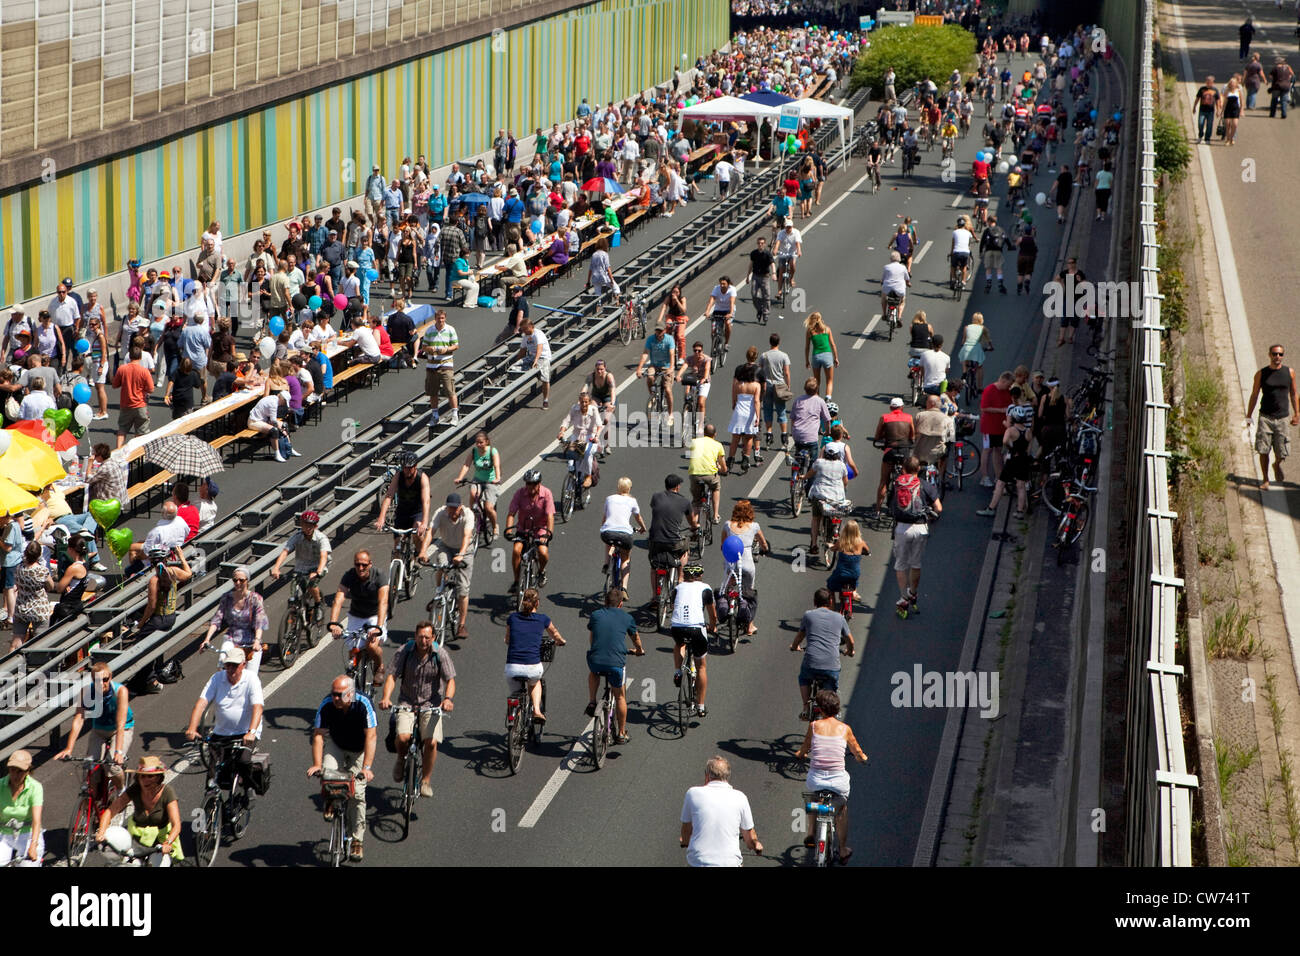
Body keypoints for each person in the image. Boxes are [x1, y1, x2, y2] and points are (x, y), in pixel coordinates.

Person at [379, 621, 456, 798]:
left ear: (433, 638)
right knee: (403, 737)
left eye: (427, 638)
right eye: (420, 637)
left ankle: (426, 781)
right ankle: (400, 759)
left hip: (431, 704)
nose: (423, 641)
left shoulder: (440, 654)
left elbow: (450, 680)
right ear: (415, 636)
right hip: (407, 702)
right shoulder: (405, 651)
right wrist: (386, 697)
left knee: (431, 742)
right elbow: (391, 676)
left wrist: (448, 700)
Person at [794, 689, 868, 862]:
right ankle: (842, 849)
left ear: (820, 709)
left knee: (813, 799)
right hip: (838, 782)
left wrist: (800, 754)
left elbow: (804, 748)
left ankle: (811, 832)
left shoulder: (814, 726)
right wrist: (862, 758)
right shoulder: (845, 729)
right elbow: (857, 751)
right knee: (841, 809)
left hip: (816, 780)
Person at [308, 675, 376, 862]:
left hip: (359, 750)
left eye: (339, 695)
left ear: (350, 694)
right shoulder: (327, 704)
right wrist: (316, 764)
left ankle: (357, 840)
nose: (334, 698)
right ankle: (330, 800)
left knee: (357, 794)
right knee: (328, 774)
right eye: (333, 694)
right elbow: (319, 736)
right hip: (336, 744)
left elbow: (371, 736)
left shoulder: (363, 705)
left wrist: (367, 767)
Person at [55, 660, 133, 806]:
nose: (102, 683)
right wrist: (69, 749)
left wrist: (118, 751)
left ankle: (123, 791)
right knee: (89, 768)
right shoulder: (86, 692)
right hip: (99, 730)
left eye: (105, 679)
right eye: (98, 680)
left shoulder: (120, 691)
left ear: (110, 677)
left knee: (112, 766)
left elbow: (121, 723)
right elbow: (79, 719)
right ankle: (92, 805)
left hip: (120, 729)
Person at [95, 755, 183, 865]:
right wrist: (101, 831)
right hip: (137, 841)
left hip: (160, 843)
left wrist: (168, 843)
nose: (145, 780)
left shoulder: (167, 792)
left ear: (158, 777)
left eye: (149, 776)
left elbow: (176, 824)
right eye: (142, 776)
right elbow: (110, 811)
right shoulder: (135, 789)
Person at [679, 755, 761, 866]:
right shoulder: (740, 797)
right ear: (727, 777)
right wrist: (755, 844)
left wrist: (685, 841)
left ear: (707, 776)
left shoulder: (693, 793)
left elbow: (686, 829)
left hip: (699, 861)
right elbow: (749, 836)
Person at [585, 588, 644, 741]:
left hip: (596, 659)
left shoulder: (596, 615)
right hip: (616, 663)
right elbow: (635, 638)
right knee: (620, 697)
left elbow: (593, 637)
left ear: (605, 601)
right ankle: (621, 733)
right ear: (620, 604)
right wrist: (638, 650)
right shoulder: (627, 617)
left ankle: (592, 701)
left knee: (593, 672)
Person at [326, 549, 389, 688]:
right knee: (354, 651)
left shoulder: (379, 576)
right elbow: (339, 598)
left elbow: (383, 602)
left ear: (370, 564)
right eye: (357, 564)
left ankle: (379, 667)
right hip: (356, 615)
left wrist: (378, 627)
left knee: (371, 645)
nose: (360, 568)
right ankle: (353, 675)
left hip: (375, 615)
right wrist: (334, 623)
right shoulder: (349, 575)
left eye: (364, 565)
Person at [504, 588, 566, 724]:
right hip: (532, 667)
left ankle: (515, 719)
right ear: (537, 603)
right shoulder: (543, 619)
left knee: (515, 692)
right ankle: (537, 710)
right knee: (535, 682)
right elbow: (555, 634)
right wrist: (561, 641)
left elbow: (507, 640)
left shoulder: (512, 618)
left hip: (512, 668)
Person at [890, 456, 941, 616]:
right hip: (920, 528)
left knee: (900, 564)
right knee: (916, 563)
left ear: (904, 469)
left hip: (902, 528)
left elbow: (890, 505)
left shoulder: (898, 484)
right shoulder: (925, 485)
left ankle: (903, 597)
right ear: (918, 469)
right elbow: (938, 508)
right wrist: (929, 516)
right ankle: (913, 592)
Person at [790, 587, 854, 714]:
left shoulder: (808, 615)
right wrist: (850, 651)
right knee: (830, 691)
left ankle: (805, 708)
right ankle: (831, 713)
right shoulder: (839, 618)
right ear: (831, 602)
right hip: (831, 666)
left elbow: (799, 637)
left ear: (815, 602)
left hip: (811, 663)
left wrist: (794, 646)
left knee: (804, 678)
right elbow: (850, 641)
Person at [1246, 344, 1300, 490]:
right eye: (1275, 354)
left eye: (1280, 354)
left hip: (1282, 418)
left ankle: (1276, 464)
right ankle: (1265, 479)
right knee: (1263, 449)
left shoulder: (1289, 372)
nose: (1277, 357)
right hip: (1266, 418)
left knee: (1282, 452)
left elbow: (1294, 394)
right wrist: (1248, 416)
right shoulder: (1261, 374)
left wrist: (1297, 413)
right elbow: (1254, 394)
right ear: (1269, 355)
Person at [200, 566, 269, 674]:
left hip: (251, 642)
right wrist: (207, 639)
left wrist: (257, 640)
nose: (238, 583)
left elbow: (259, 622)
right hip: (231, 639)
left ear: (247, 581)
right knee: (222, 666)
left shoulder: (255, 599)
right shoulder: (226, 598)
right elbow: (217, 619)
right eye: (235, 580)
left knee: (251, 676)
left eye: (241, 580)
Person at [427, 493, 475, 640]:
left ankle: (461, 625)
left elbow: (467, 536)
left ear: (460, 507)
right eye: (450, 508)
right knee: (441, 565)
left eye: (455, 508)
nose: (452, 511)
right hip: (446, 547)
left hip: (464, 550)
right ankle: (439, 592)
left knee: (462, 590)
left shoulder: (468, 514)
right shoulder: (440, 513)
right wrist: (423, 551)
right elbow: (431, 532)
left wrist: (461, 554)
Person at [670, 563, 716, 716]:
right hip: (696, 628)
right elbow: (712, 614)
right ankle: (701, 706)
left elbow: (673, 605)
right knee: (701, 666)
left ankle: (677, 671)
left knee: (679, 644)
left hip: (677, 626)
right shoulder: (705, 588)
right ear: (699, 575)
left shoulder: (677, 588)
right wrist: (713, 627)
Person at [270, 510, 330, 615]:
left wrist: (318, 571)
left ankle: (318, 604)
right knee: (294, 594)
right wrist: (276, 567)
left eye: (310, 526)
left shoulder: (321, 538)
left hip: (318, 566)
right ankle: (295, 618)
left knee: (311, 584)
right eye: (305, 525)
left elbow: (324, 556)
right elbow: (285, 552)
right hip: (301, 567)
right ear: (301, 524)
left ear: (315, 526)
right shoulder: (297, 536)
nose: (307, 528)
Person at [648, 473, 697, 596]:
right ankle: (680, 578)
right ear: (677, 487)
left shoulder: (656, 497)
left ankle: (655, 596)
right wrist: (694, 527)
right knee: (685, 549)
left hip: (655, 540)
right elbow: (692, 521)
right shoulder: (684, 501)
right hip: (673, 542)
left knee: (654, 567)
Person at [506, 470, 555, 591]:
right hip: (523, 528)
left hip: (540, 530)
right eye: (528, 483)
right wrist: (508, 531)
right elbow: (511, 513)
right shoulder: (519, 493)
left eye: (534, 484)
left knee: (543, 552)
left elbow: (550, 516)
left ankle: (541, 571)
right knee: (516, 550)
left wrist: (548, 533)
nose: (531, 486)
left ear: (539, 483)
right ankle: (517, 581)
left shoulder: (546, 493)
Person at [376, 451, 431, 557]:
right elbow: (388, 496)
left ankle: (420, 555)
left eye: (410, 468)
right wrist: (381, 518)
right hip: (402, 512)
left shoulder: (422, 478)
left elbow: (426, 501)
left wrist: (424, 522)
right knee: (397, 546)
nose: (407, 471)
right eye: (405, 468)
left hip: (417, 513)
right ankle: (397, 570)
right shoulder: (398, 476)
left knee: (417, 534)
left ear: (415, 466)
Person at [454, 430, 502, 540]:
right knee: (473, 492)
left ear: (487, 442)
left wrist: (497, 478)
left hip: (490, 481)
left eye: (481, 442)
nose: (478, 445)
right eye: (477, 442)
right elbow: (466, 465)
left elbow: (496, 466)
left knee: (489, 508)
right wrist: (460, 477)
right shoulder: (474, 451)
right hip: (478, 479)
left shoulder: (492, 451)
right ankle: (473, 513)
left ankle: (495, 527)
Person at [0, 750, 43, 866]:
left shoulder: (35, 787)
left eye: (20, 771)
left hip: (27, 835)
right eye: (12, 770)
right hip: (4, 834)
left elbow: (36, 821)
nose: (15, 775)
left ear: (28, 771)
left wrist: (33, 845)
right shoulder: (0, 786)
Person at [807, 445, 850, 556]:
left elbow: (810, 474)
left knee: (816, 519)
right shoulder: (842, 465)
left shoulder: (819, 463)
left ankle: (814, 545)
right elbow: (845, 482)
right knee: (836, 516)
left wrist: (803, 477)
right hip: (836, 498)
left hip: (819, 495)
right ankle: (834, 533)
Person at [874, 396, 916, 510]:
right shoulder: (909, 417)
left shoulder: (884, 417)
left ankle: (877, 510)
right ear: (902, 407)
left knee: (884, 481)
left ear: (890, 407)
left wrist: (884, 437)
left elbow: (877, 436)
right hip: (904, 450)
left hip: (890, 450)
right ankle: (908, 504)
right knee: (906, 477)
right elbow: (912, 436)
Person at [420, 310, 459, 426]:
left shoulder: (450, 329)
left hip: (446, 364)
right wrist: (429, 349)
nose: (440, 320)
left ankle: (455, 415)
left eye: (442, 318)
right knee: (433, 392)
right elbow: (424, 346)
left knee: (449, 390)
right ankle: (435, 415)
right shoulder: (429, 330)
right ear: (435, 318)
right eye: (438, 318)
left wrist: (446, 349)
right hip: (432, 365)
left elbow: (456, 345)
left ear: (445, 318)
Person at [10, 542, 51, 650]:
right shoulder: (42, 570)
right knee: (40, 640)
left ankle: (11, 664)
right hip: (39, 608)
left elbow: (17, 584)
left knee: (17, 640)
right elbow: (50, 586)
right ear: (39, 555)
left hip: (22, 606)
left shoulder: (19, 568)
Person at [687, 422, 728, 526]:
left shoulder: (694, 442)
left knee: (696, 501)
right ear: (715, 434)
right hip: (710, 475)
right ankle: (715, 515)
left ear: (703, 433)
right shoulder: (718, 445)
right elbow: (723, 466)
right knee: (715, 488)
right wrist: (723, 469)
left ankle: (695, 525)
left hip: (695, 474)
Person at [112, 346, 154, 448]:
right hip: (140, 405)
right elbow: (151, 389)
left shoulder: (122, 369)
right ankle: (136, 455)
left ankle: (118, 452)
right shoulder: (144, 371)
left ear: (130, 356)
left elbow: (114, 385)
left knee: (122, 430)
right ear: (140, 357)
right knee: (141, 432)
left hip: (125, 405)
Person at [979, 371, 1015, 485]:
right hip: (989, 426)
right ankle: (984, 477)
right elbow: (984, 408)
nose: (1009, 387)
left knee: (998, 450)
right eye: (1008, 384)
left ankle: (998, 476)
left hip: (1001, 426)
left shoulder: (1007, 392)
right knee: (987, 450)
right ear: (1003, 380)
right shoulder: (989, 390)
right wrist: (1001, 410)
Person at [758, 333, 792, 450]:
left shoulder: (764, 355)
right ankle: (784, 435)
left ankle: (769, 434)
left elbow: (760, 371)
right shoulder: (784, 356)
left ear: (770, 342)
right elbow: (786, 372)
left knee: (767, 409)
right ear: (779, 342)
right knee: (781, 410)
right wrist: (788, 385)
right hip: (780, 385)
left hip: (767, 385)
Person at [726, 362, 761, 473]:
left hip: (739, 412)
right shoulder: (756, 385)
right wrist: (758, 416)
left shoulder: (738, 384)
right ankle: (745, 458)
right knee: (749, 437)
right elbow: (756, 401)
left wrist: (734, 403)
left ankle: (730, 459)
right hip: (750, 413)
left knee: (735, 438)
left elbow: (734, 395)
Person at [635, 324, 676, 419]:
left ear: (664, 331)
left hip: (666, 366)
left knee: (668, 390)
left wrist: (671, 368)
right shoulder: (650, 339)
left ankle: (670, 413)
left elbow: (672, 354)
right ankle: (653, 397)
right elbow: (645, 354)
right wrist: (639, 368)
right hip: (654, 365)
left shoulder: (669, 339)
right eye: (657, 331)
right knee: (649, 377)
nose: (658, 333)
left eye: (660, 331)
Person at [825, 520, 869, 604]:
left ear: (845, 530)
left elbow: (833, 548)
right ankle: (854, 593)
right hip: (855, 574)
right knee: (854, 580)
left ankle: (832, 609)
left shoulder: (841, 542)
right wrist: (866, 552)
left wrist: (830, 545)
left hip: (841, 573)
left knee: (830, 587)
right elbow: (867, 551)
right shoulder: (861, 543)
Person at [516, 318, 552, 409]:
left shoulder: (538, 334)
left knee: (545, 378)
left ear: (531, 327)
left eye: (525, 329)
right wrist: (518, 362)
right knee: (515, 367)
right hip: (531, 357)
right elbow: (522, 351)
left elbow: (539, 348)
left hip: (543, 357)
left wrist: (536, 360)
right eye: (523, 330)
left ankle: (545, 400)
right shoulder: (525, 337)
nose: (524, 332)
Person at [706, 275, 738, 353]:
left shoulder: (732, 289)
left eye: (724, 284)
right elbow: (711, 301)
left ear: (728, 284)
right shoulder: (716, 288)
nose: (722, 286)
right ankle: (714, 343)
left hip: (728, 310)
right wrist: (707, 311)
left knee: (727, 323)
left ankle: (726, 343)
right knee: (713, 329)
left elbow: (732, 302)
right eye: (721, 284)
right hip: (718, 309)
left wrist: (730, 313)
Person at [746, 237, 775, 325]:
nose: (760, 245)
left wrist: (774, 273)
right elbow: (751, 264)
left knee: (766, 296)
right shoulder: (754, 253)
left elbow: (772, 264)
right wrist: (747, 276)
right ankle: (759, 309)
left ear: (765, 244)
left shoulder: (767, 254)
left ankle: (766, 313)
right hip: (755, 276)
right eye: (759, 243)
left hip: (765, 277)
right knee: (754, 294)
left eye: (762, 243)